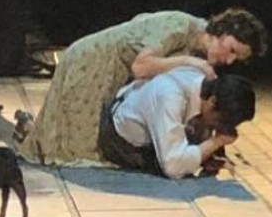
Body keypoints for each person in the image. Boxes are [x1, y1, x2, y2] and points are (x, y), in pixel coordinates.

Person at [15, 8, 267, 165]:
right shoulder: (181, 27)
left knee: (84, 145)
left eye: (237, 58)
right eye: (231, 49)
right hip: (93, 62)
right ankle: (28, 130)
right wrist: (189, 61)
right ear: (222, 30)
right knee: (71, 151)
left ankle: (27, 126)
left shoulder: (203, 56)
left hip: (115, 74)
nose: (229, 60)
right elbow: (141, 66)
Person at [97, 69, 256, 179]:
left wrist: (209, 154)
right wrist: (216, 141)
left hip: (145, 115)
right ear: (212, 101)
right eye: (219, 122)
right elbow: (173, 167)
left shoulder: (201, 85)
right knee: (178, 169)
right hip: (120, 141)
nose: (219, 128)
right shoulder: (171, 96)